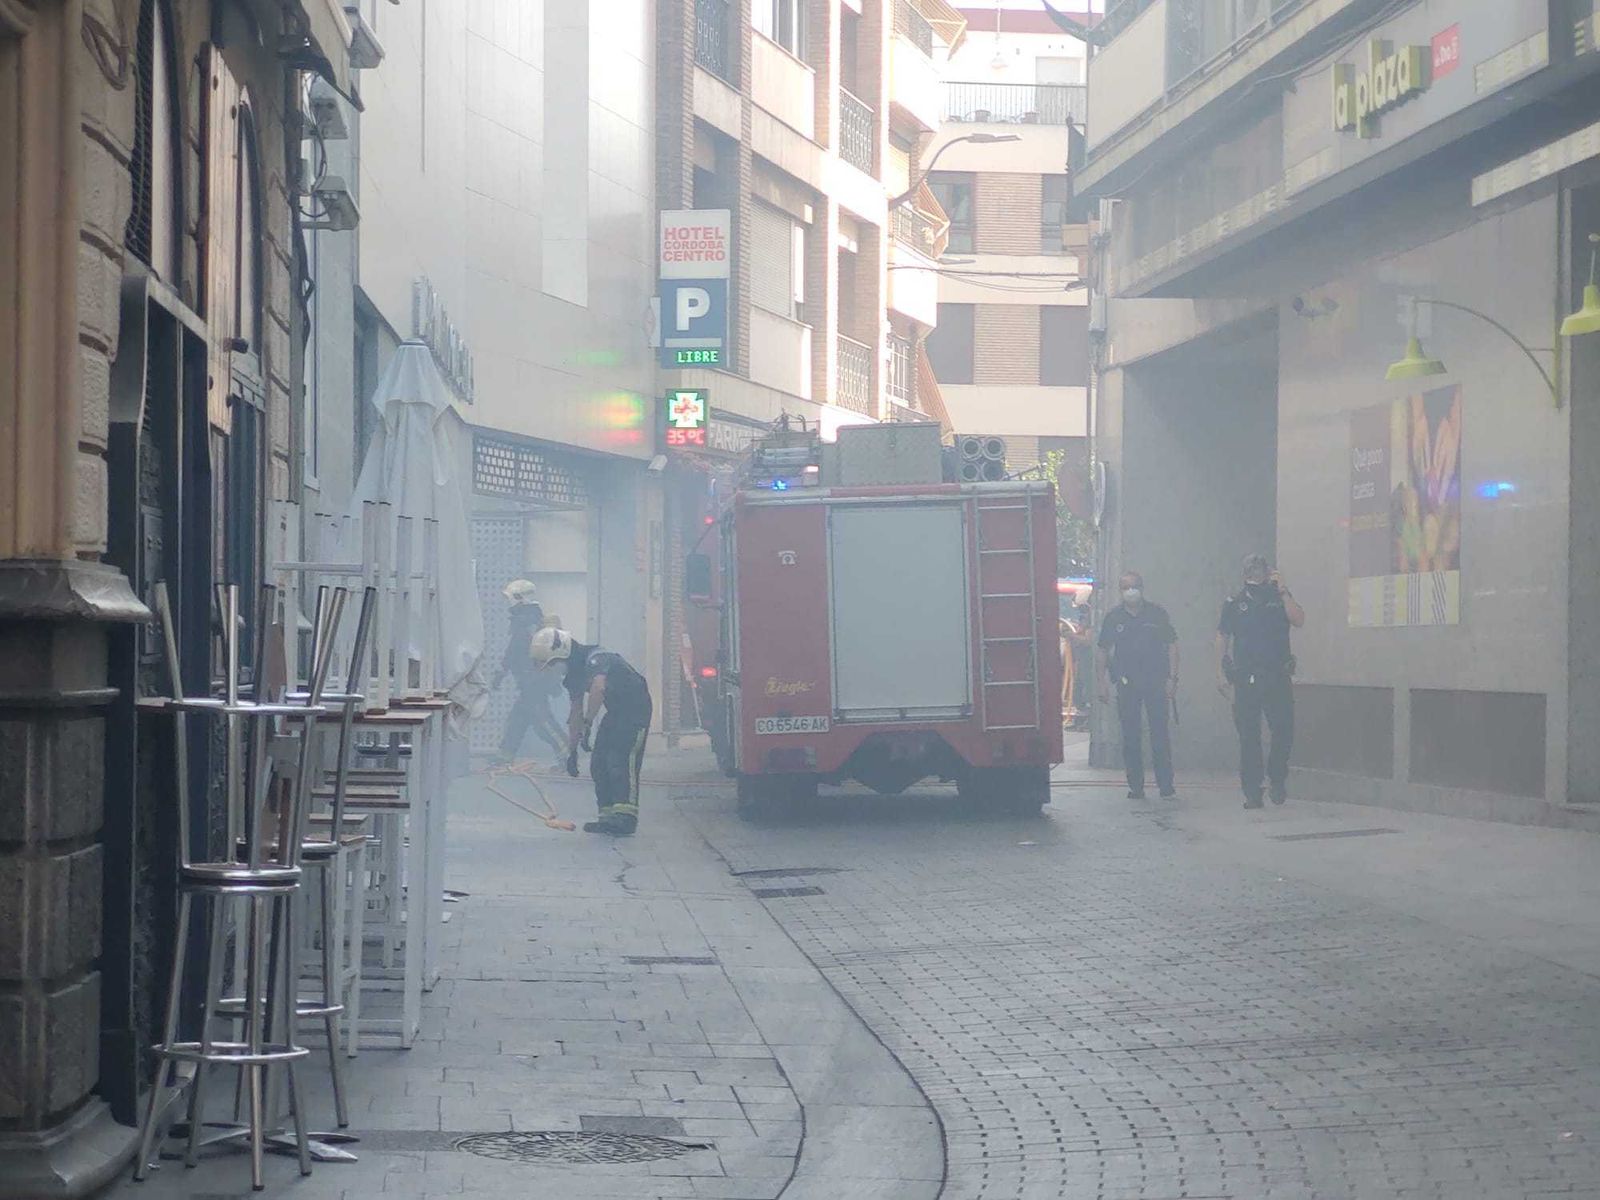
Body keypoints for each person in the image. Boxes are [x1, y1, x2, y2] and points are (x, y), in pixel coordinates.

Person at [530, 626, 653, 836]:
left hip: (635, 710)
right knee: (599, 763)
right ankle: (607, 817)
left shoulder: (598, 658)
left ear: (564, 655)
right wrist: (572, 751)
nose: (554, 669)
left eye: (553, 664)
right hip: (615, 711)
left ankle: (626, 817)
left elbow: (599, 688)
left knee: (621, 760)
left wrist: (588, 724)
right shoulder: (572, 677)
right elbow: (575, 712)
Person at [1216, 554, 1305, 809]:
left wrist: (1284, 591)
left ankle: (1277, 778)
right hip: (1246, 678)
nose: (1257, 573)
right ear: (1245, 574)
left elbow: (1299, 619)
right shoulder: (1235, 603)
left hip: (1277, 676)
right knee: (1249, 736)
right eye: (1252, 569)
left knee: (1283, 731)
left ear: (1268, 572)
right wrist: (1220, 673)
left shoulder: (1278, 598)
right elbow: (1222, 636)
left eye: (1261, 569)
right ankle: (1252, 791)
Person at [1096, 572, 1179, 800]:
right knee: (1131, 735)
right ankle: (1136, 786)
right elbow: (1103, 649)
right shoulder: (1114, 618)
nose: (1130, 591)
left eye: (1134, 586)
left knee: (1159, 734)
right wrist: (1101, 682)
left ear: (1142, 588)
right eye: (1126, 587)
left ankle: (1165, 784)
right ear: (1120, 591)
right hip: (1127, 684)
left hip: (1155, 681)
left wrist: (1172, 678)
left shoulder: (1156, 614)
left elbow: (1172, 645)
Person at [492, 581, 567, 765]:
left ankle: (567, 753)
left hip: (534, 681)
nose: (508, 602)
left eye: (510, 598)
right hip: (529, 680)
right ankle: (504, 755)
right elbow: (515, 650)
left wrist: (502, 673)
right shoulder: (527, 618)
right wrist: (502, 672)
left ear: (519, 598)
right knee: (518, 718)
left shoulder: (528, 620)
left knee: (542, 721)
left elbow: (516, 650)